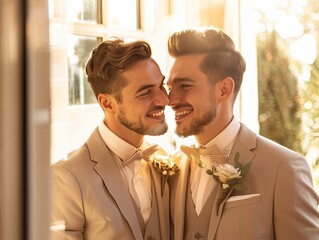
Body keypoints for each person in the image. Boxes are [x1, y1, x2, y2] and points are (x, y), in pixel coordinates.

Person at [167, 26, 319, 240]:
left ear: (224, 89)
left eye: (184, 86)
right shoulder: (171, 170)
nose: (170, 100)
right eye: (170, 87)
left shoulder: (284, 168)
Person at [50, 37, 171, 240]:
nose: (164, 99)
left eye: (161, 85)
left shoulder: (165, 159)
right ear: (107, 103)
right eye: (145, 93)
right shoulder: (66, 178)